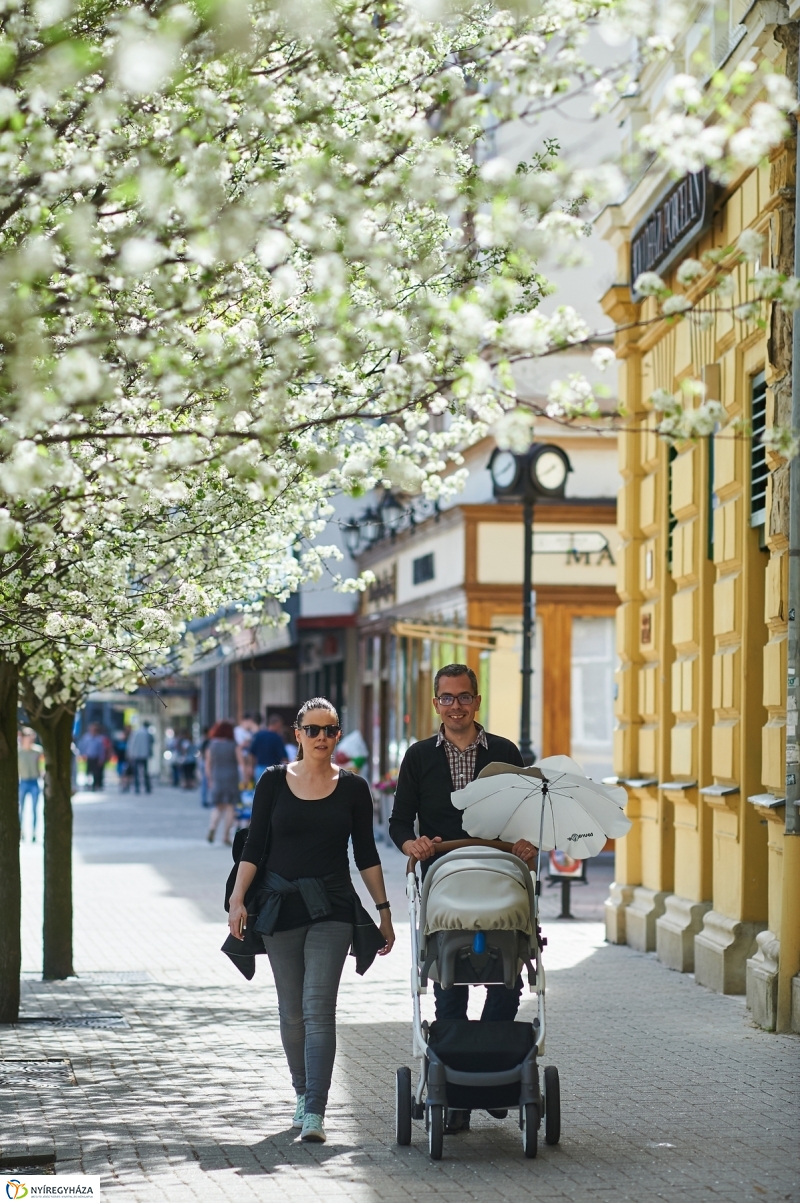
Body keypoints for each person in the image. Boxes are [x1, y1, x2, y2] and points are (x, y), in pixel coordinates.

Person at [227, 697, 395, 1145]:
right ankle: (301, 1095)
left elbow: (366, 854)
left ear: (338, 735)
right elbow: (254, 846)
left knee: (319, 1010)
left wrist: (383, 910)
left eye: (331, 730)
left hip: (332, 908)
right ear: (297, 734)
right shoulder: (272, 781)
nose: (323, 738)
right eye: (314, 730)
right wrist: (237, 899)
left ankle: (316, 1111)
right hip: (280, 908)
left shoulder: (355, 788)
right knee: (292, 1012)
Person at [389, 663, 536, 1134]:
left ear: (477, 700)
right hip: (444, 879)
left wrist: (526, 842)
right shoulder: (417, 757)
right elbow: (398, 823)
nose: (456, 705)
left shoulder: (505, 752)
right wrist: (411, 845)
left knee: (507, 975)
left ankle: (493, 1071)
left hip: (498, 874)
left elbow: (525, 814)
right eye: (447, 698)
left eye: (464, 697)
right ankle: (455, 1095)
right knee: (447, 980)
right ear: (436, 704)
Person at [206, 720, 243, 845]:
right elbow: (241, 763)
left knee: (218, 806)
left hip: (217, 776)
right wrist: (245, 778)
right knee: (230, 807)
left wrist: (210, 779)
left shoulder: (212, 745)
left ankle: (212, 827)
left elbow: (208, 764)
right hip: (231, 777)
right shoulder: (233, 744)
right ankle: (226, 836)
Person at [248, 713, 288, 783]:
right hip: (273, 769)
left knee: (259, 791)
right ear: (276, 724)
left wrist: (251, 767)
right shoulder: (277, 738)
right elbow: (283, 757)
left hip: (259, 768)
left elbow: (252, 753)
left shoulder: (259, 735)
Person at [18, 727, 42, 842]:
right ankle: (21, 831)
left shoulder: (37, 751)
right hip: (23, 781)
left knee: (34, 809)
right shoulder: (18, 752)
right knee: (20, 809)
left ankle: (33, 832)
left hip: (34, 782)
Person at [78, 723, 109, 791]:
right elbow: (82, 747)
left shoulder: (99, 739)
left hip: (96, 758)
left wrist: (101, 759)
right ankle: (88, 784)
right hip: (88, 757)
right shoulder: (86, 738)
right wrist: (82, 754)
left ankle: (95, 785)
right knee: (88, 772)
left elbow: (101, 750)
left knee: (96, 772)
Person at [126, 723, 152, 795]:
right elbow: (151, 743)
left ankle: (137, 788)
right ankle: (147, 788)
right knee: (145, 772)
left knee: (136, 772)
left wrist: (130, 754)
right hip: (144, 754)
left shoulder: (135, 733)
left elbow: (131, 744)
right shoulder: (147, 733)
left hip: (136, 755)